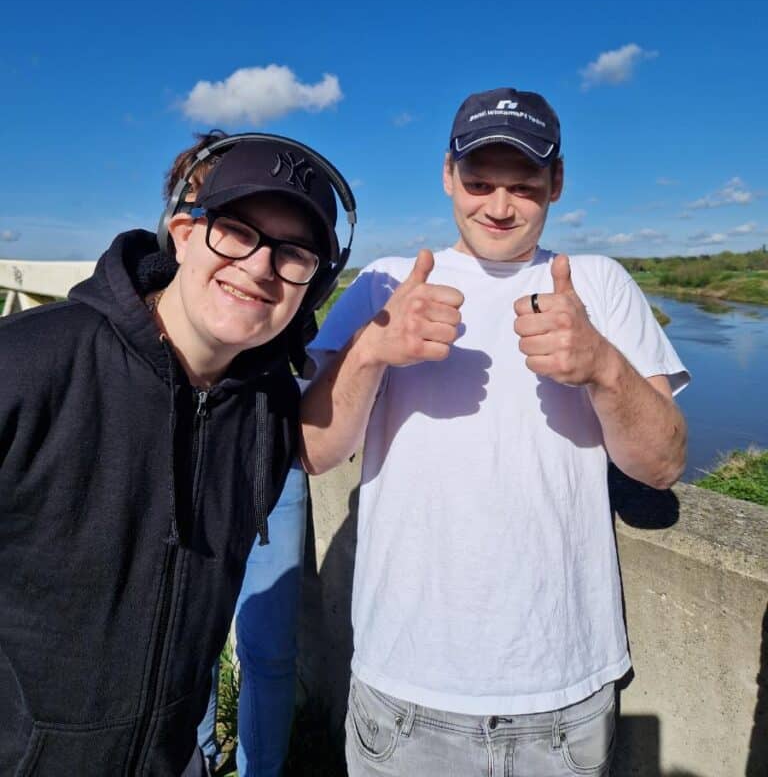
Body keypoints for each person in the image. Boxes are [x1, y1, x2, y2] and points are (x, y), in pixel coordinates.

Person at [301, 87, 689, 776]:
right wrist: (370, 351)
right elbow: (313, 450)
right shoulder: (385, 285)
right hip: (403, 689)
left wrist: (602, 366)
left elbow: (662, 465)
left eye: (524, 186)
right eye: (480, 182)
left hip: (565, 696)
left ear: (557, 183)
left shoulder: (598, 284)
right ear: (448, 176)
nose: (500, 206)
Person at [0, 133, 351, 776]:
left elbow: (322, 446)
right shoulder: (26, 364)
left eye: (294, 254)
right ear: (184, 234)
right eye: (237, 232)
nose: (260, 267)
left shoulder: (267, 405)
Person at [168, 134, 308, 777]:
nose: (252, 254)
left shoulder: (280, 283)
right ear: (183, 222)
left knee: (270, 649)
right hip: (185, 463)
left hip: (271, 462)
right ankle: (192, 757)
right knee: (183, 641)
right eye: (228, 220)